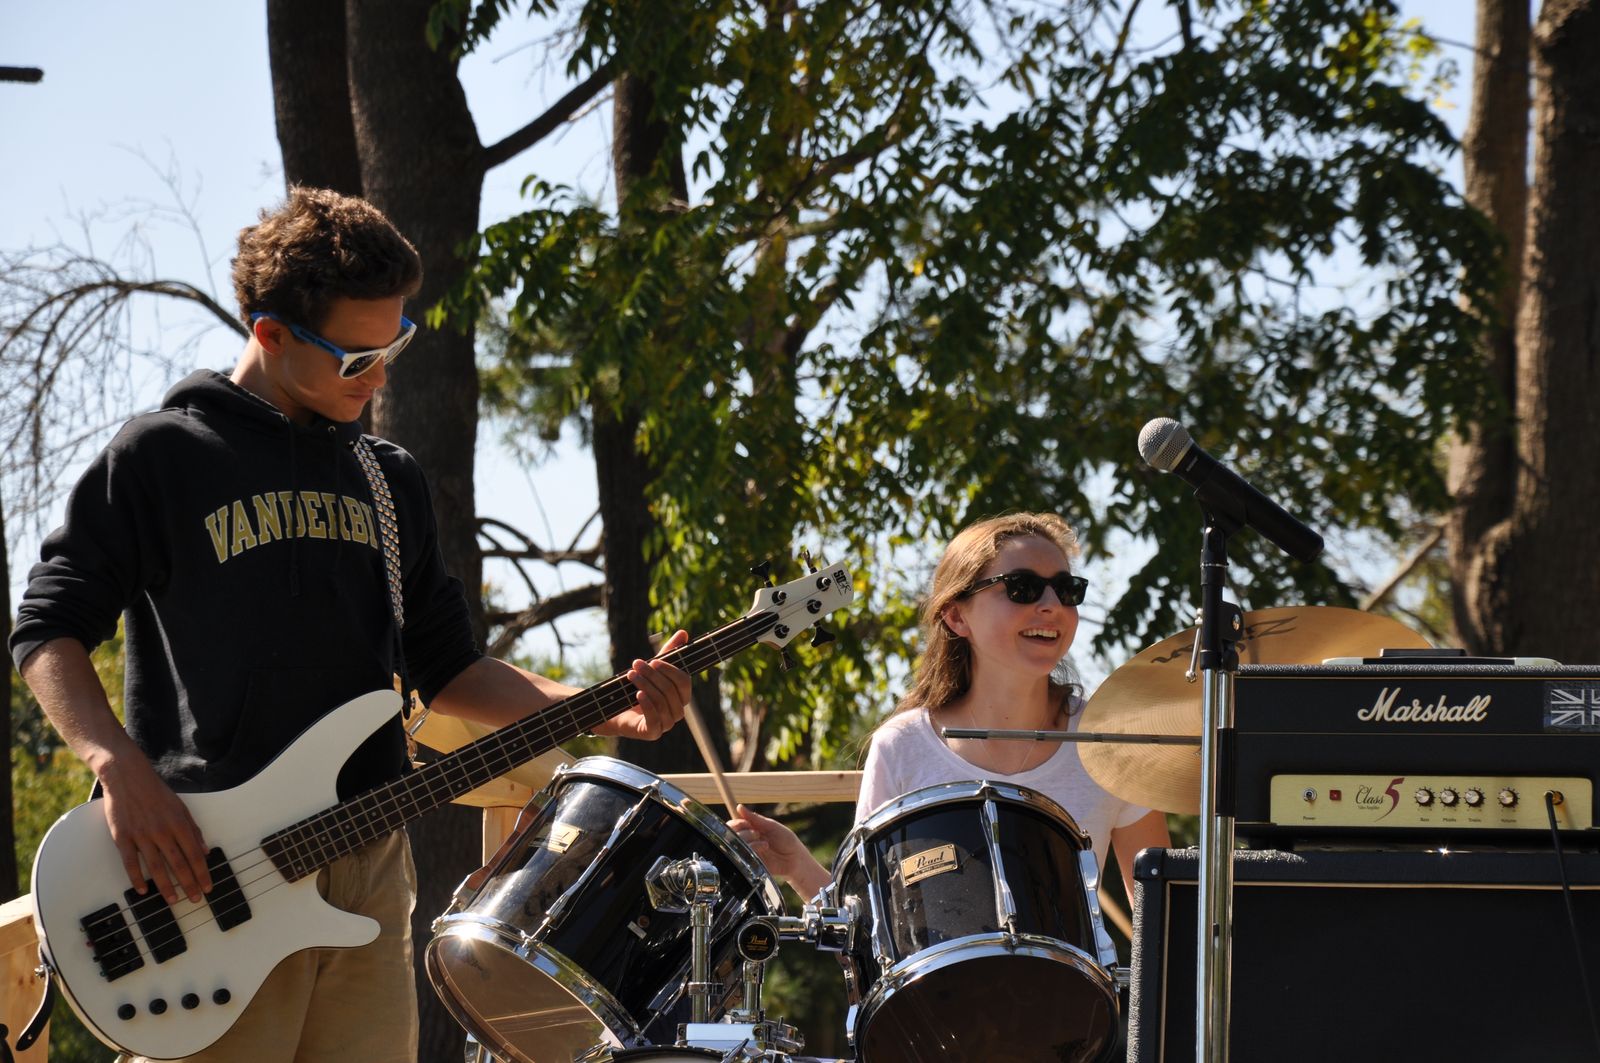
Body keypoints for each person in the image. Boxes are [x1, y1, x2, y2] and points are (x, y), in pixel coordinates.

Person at [9, 187, 692, 1063]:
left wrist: (598, 706)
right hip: (204, 876)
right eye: (358, 357)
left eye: (394, 347)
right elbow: (47, 629)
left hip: (367, 870)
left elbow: (449, 668)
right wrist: (118, 767)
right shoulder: (162, 456)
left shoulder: (388, 479)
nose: (380, 377)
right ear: (271, 333)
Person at [731, 512, 1169, 903]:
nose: (1052, 605)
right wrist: (798, 867)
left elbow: (1164, 924)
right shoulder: (901, 747)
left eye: (1067, 589)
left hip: (1076, 976)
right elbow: (869, 936)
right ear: (956, 617)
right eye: (1023, 588)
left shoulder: (1109, 740)